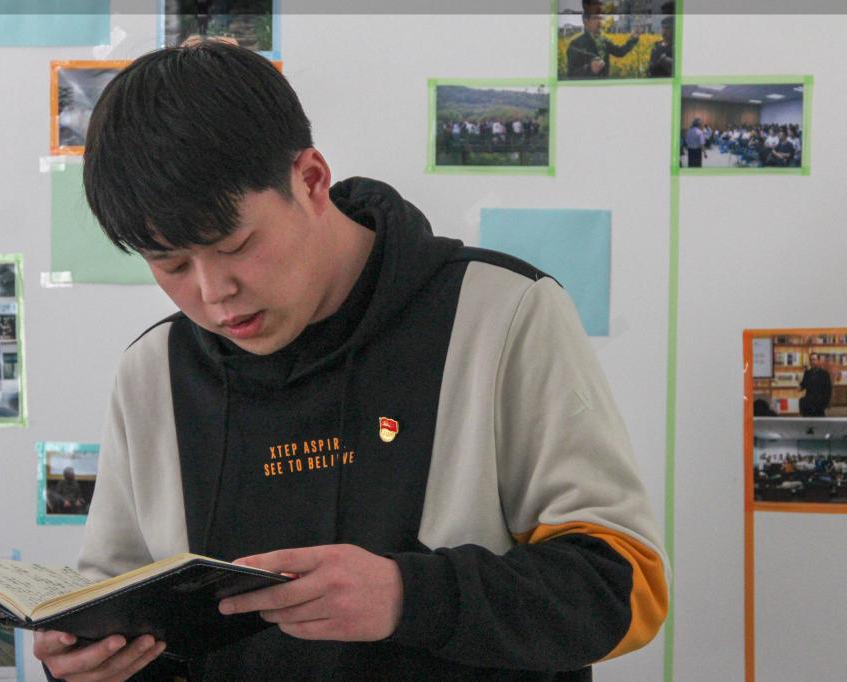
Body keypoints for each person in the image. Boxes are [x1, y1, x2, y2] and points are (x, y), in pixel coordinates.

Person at [34, 40, 668, 681]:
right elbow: (121, 615)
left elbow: (626, 588)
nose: (213, 292)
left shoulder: (501, 314)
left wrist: (406, 596)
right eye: (170, 265)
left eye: (235, 245)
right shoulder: (153, 372)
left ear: (311, 180)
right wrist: (88, 662)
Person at [566, 0, 641, 79]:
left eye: (600, 18)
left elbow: (619, 52)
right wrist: (589, 68)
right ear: (586, 22)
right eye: (595, 18)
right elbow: (571, 75)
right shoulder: (575, 44)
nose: (599, 22)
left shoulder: (604, 40)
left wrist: (633, 39)